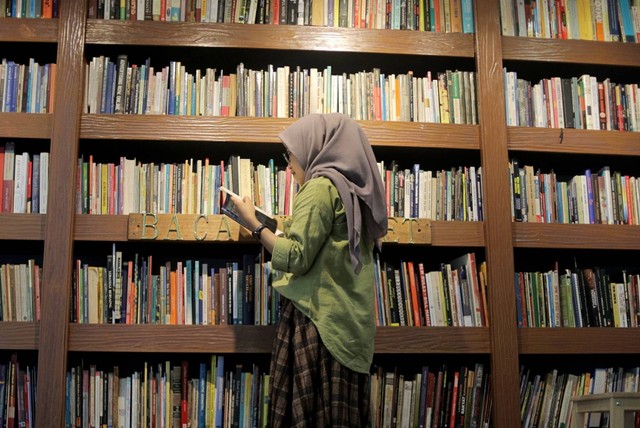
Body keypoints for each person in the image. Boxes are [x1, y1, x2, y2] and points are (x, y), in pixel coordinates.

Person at [229, 113, 388, 427]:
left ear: (315, 147)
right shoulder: (349, 188)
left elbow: (297, 257)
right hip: (348, 325)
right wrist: (278, 225)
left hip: (319, 323)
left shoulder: (318, 189)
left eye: (291, 153)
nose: (288, 163)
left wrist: (254, 225)